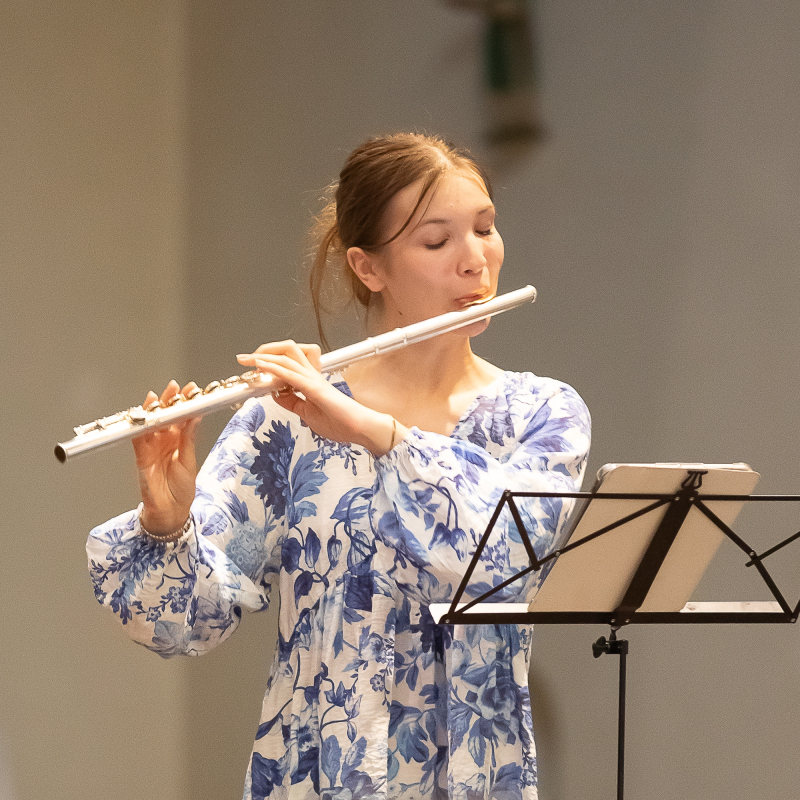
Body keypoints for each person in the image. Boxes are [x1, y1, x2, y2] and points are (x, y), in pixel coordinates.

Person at [87, 132, 591, 800]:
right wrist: (166, 522)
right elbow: (185, 624)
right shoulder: (285, 419)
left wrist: (378, 435)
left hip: (475, 773)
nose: (476, 261)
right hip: (317, 774)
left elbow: (499, 554)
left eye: (486, 229)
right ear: (369, 267)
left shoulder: (542, 414)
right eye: (437, 242)